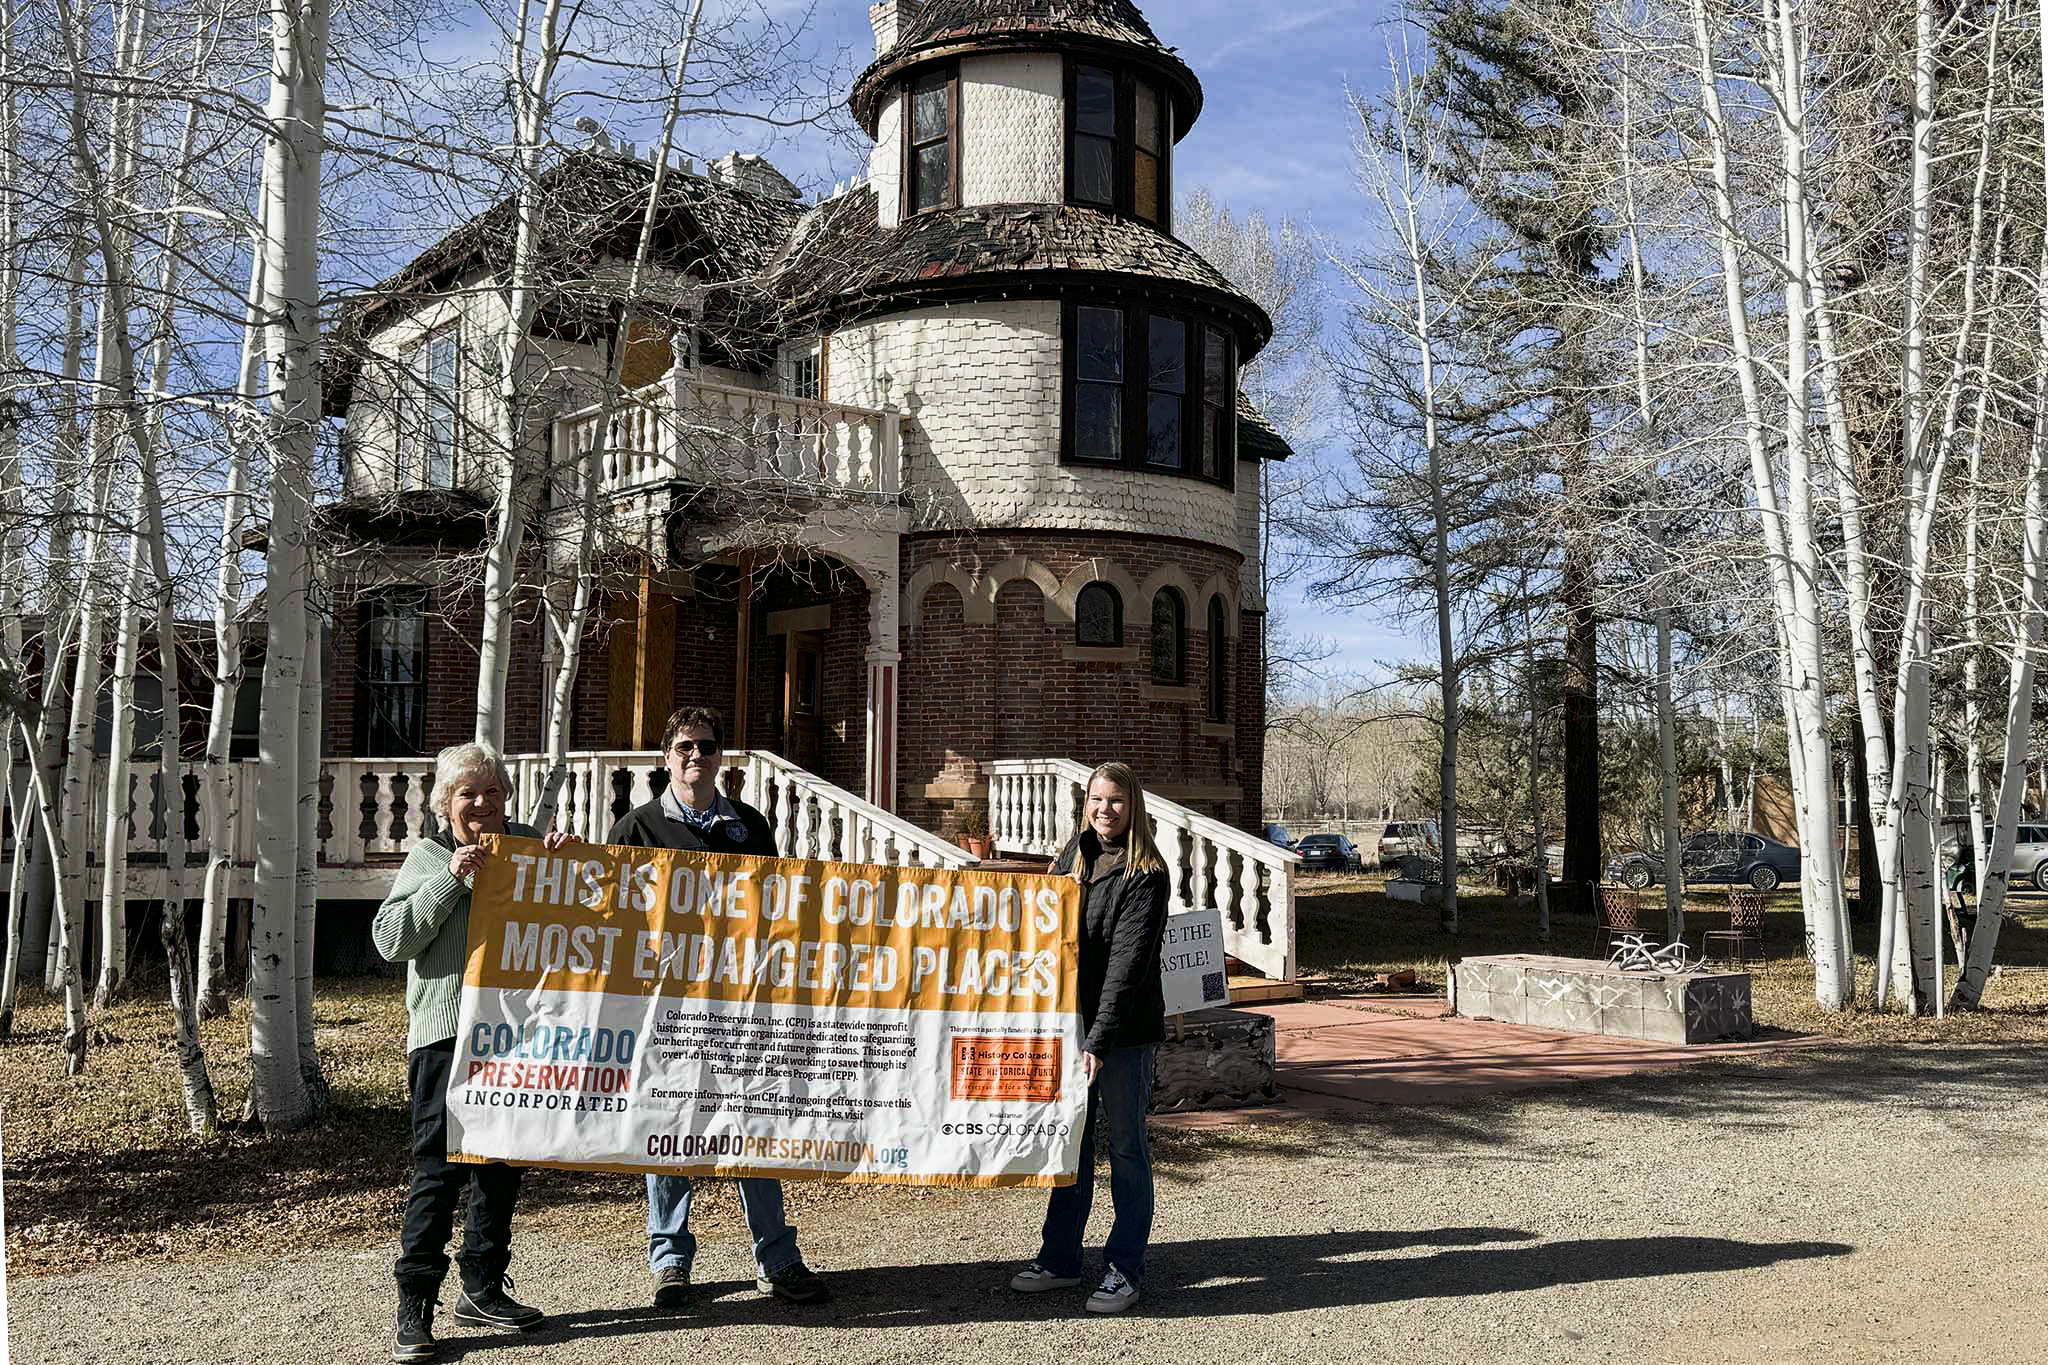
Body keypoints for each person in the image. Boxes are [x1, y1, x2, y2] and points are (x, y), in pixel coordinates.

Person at [606, 705, 831, 1310]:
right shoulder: (636, 829)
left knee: (752, 1126)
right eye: (683, 747)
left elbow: (779, 911)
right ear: (665, 757)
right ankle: (671, 1261)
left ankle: (778, 1259)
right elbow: (610, 914)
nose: (695, 757)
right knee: (671, 1131)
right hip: (668, 1007)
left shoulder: (752, 827)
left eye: (706, 746)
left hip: (741, 1006)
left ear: (721, 757)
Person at [371, 742, 574, 1362]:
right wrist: (451, 883)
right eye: (467, 794)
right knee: (438, 1171)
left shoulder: (524, 854)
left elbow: (576, 919)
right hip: (444, 1039)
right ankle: (415, 1306)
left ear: (506, 801)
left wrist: (562, 867)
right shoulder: (430, 857)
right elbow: (388, 939)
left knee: (502, 1165)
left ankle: (483, 1287)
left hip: (514, 1036)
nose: (481, 804)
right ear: (445, 806)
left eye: (491, 793)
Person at [1008, 761, 1169, 1314]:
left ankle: (1124, 1267)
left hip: (1122, 1034)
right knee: (1070, 1145)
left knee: (1126, 1148)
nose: (1106, 810)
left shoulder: (1145, 873)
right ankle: (1060, 1259)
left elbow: (1126, 966)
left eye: (1117, 801)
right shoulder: (1069, 859)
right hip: (1070, 1027)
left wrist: (1098, 1041)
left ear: (1134, 806)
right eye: (1098, 799)